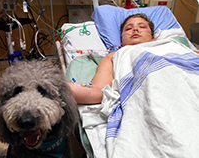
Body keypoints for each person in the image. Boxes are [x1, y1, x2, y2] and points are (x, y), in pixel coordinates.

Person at [68, 13, 197, 104]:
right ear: (121, 41)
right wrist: (59, 88)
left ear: (153, 37)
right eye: (128, 28)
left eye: (142, 27)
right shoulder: (115, 56)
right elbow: (97, 91)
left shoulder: (172, 45)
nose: (135, 29)